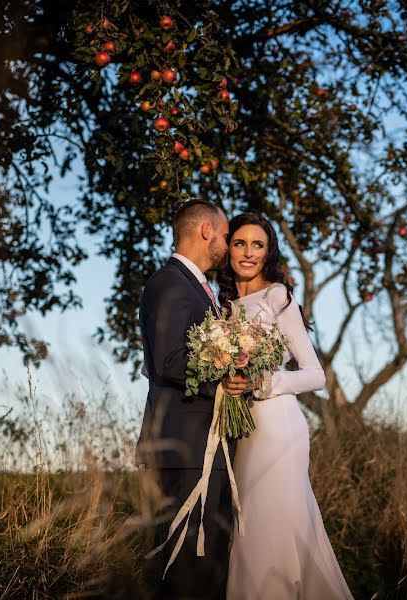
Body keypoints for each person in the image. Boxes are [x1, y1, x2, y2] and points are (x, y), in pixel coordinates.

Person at [218, 213, 354, 600]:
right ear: (228, 248)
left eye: (257, 245)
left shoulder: (278, 297)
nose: (247, 252)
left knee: (270, 528)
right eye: (240, 243)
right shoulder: (223, 305)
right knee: (252, 528)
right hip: (242, 431)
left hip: (278, 428)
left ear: (268, 252)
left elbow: (315, 375)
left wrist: (267, 383)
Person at [135, 199, 249, 599]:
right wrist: (226, 376)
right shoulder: (169, 283)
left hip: (205, 448)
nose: (226, 243)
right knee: (184, 573)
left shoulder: (199, 289)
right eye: (223, 235)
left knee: (207, 570)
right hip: (184, 450)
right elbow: (168, 360)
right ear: (205, 231)